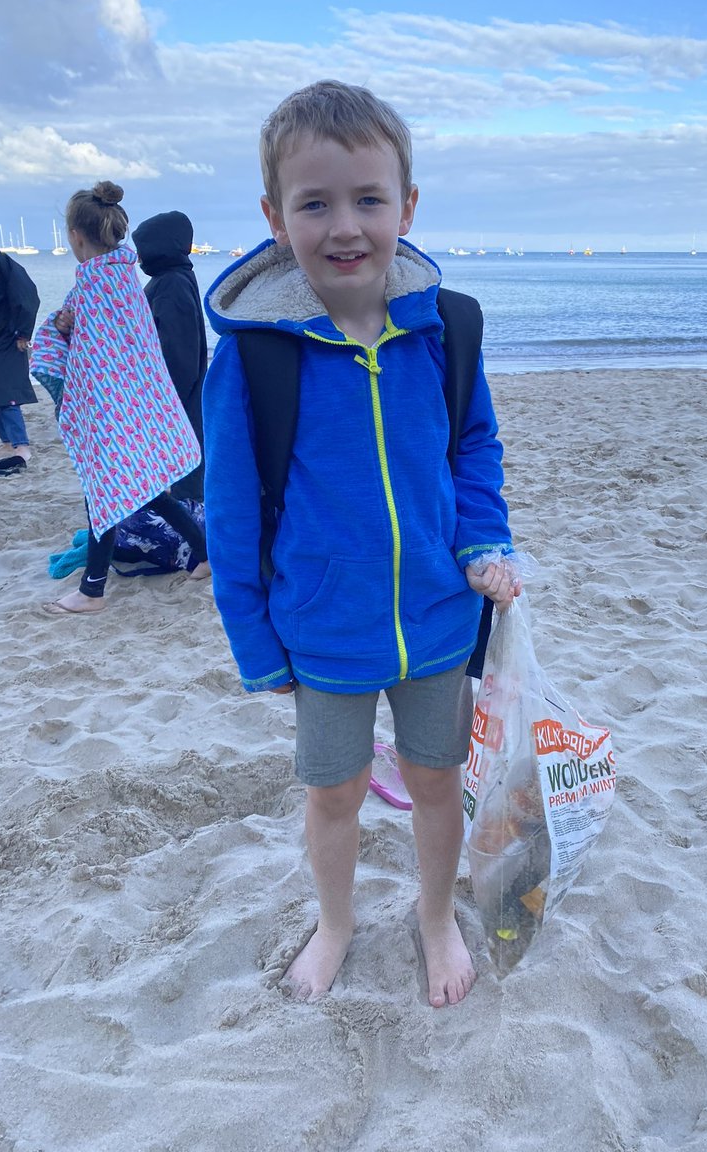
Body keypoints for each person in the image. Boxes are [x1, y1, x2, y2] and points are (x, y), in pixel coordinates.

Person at [202, 80, 521, 1007]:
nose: (345, 227)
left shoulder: (443, 330)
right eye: (315, 203)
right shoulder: (256, 355)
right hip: (322, 630)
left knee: (434, 781)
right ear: (275, 216)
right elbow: (232, 514)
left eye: (368, 200)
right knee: (333, 794)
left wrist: (480, 542)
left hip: (435, 617)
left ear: (407, 206)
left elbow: (473, 447)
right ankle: (335, 922)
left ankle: (433, 918)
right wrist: (257, 647)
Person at [30, 181, 210, 615]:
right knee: (146, 491)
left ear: (75, 235)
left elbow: (87, 357)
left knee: (105, 495)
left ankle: (92, 590)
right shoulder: (125, 281)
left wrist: (58, 331)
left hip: (111, 411)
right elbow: (123, 347)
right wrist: (68, 327)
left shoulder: (92, 288)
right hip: (135, 406)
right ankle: (206, 553)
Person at [131, 211, 208, 502]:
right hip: (179, 402)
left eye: (144, 249)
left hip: (178, 404)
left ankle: (193, 542)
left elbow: (179, 355)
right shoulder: (174, 278)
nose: (139, 258)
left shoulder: (172, 284)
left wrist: (160, 404)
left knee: (184, 489)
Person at [0, 229, 40, 478]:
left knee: (5, 393)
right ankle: (7, 443)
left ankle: (22, 446)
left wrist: (23, 333)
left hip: (8, 339)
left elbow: (27, 296)